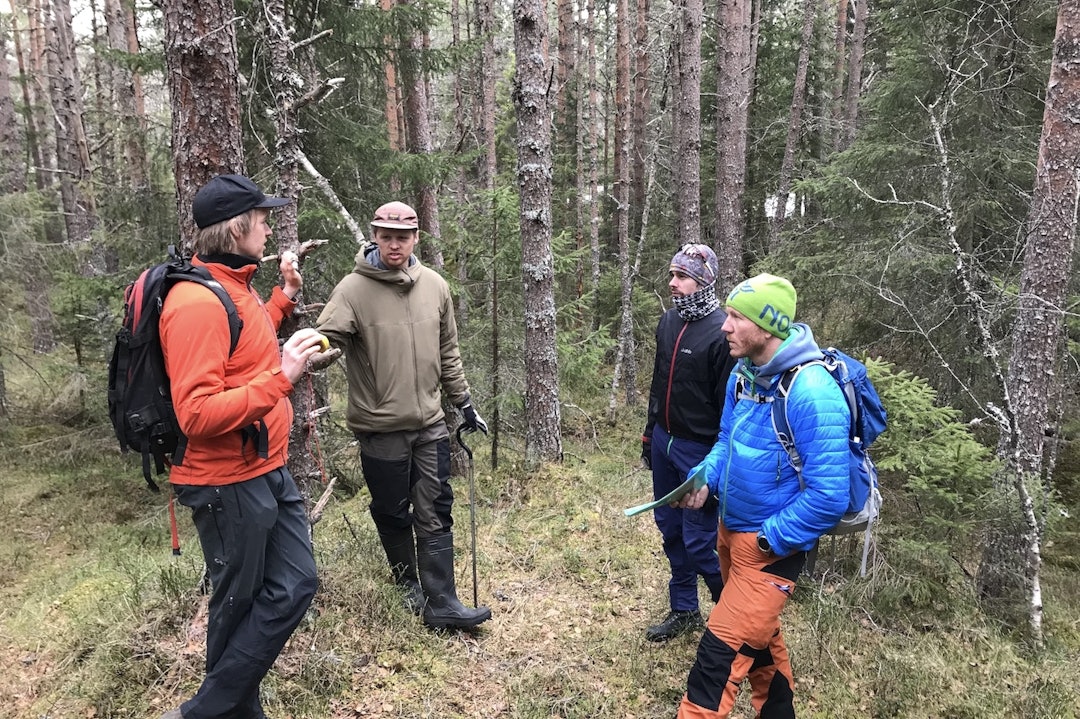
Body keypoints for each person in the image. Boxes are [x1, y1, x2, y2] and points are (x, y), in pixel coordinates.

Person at [158, 173, 325, 719]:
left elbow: (245, 344)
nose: (269, 228)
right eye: (262, 220)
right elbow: (196, 413)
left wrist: (284, 298)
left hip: (264, 466)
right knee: (237, 606)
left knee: (296, 583)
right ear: (237, 229)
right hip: (224, 480)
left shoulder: (234, 285)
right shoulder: (195, 302)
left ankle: (210, 709)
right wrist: (283, 377)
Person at [674, 273, 850, 719]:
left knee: (717, 660)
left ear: (768, 326)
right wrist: (703, 478)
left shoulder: (812, 392)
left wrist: (768, 540)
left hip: (770, 548)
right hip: (731, 532)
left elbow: (830, 495)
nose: (725, 326)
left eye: (736, 317)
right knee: (760, 643)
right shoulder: (744, 374)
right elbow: (726, 441)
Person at [316, 200, 492, 630]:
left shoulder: (435, 286)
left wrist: (464, 403)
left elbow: (448, 352)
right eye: (386, 236)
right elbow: (324, 339)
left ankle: (442, 601)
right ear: (375, 237)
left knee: (436, 504)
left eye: (402, 237)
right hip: (380, 427)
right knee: (393, 510)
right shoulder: (352, 290)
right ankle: (407, 585)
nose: (394, 245)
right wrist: (307, 352)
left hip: (430, 422)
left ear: (415, 238)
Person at [641, 244, 735, 642]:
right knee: (670, 530)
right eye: (672, 275)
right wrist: (650, 434)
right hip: (664, 441)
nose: (672, 283)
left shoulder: (722, 332)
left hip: (700, 451)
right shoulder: (667, 321)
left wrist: (717, 463)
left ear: (703, 282)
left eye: (681, 276)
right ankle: (684, 609)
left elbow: (729, 408)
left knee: (699, 542)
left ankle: (733, 620)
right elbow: (658, 382)